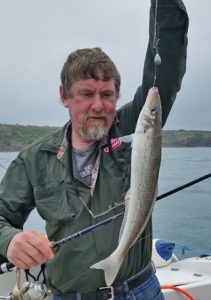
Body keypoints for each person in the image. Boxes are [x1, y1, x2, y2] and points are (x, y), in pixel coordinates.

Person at [0, 0, 188, 299]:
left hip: (141, 290)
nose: (98, 106)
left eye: (107, 94)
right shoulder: (33, 160)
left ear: (118, 95)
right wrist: (10, 240)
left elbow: (167, 65)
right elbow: (1, 215)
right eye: (87, 94)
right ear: (64, 96)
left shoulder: (131, 126)